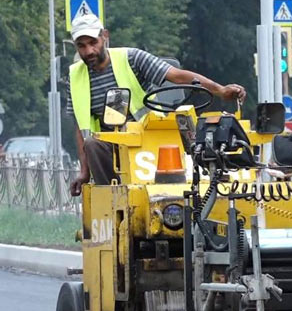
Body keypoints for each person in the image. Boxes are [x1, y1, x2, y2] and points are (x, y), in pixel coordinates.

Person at [67, 14, 247, 196]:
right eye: (81, 46)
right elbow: (80, 126)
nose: (89, 51)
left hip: (150, 136)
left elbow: (177, 75)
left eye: (93, 43)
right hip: (113, 146)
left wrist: (220, 90)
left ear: (104, 36)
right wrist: (84, 172)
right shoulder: (75, 77)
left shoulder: (131, 58)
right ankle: (111, 201)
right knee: (92, 143)